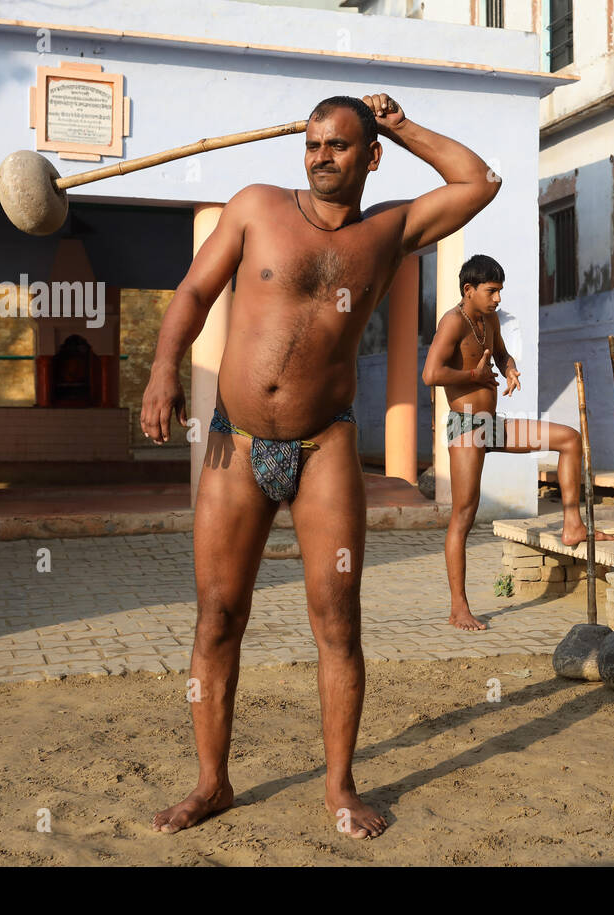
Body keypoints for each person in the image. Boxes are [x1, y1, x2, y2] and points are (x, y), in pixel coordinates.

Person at [140, 93, 500, 838]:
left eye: (338, 145)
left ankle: (339, 787)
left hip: (324, 445)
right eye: (312, 144)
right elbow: (196, 291)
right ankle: (212, 783)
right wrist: (162, 368)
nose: (320, 157)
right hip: (231, 442)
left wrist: (399, 127)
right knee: (216, 617)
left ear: (368, 156)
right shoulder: (255, 208)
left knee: (337, 619)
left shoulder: (389, 228)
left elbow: (479, 181)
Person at [422, 255, 614, 632]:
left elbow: (502, 351)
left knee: (569, 440)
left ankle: (573, 525)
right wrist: (471, 374)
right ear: (469, 290)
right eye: (491, 291)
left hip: (493, 424)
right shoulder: (452, 322)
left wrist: (508, 367)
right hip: (467, 429)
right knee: (464, 514)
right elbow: (431, 373)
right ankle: (458, 607)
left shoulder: (489, 320)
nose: (497, 299)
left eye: (500, 292)